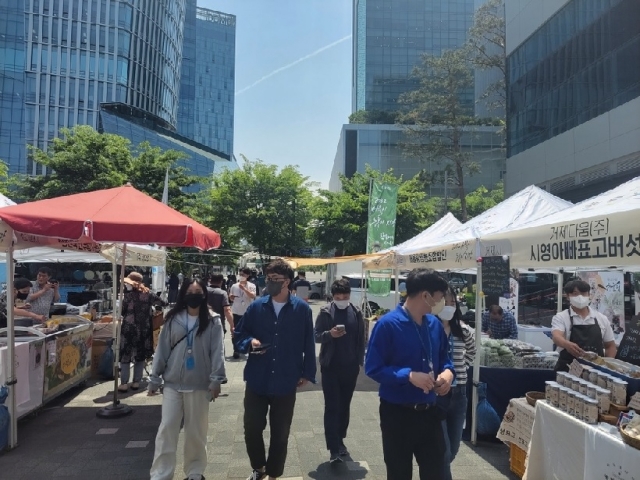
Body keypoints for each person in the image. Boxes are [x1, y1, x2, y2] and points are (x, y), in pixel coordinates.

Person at [365, 268, 455, 480]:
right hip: (398, 414)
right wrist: (408, 375)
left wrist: (448, 374)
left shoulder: (434, 324)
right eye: (440, 297)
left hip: (431, 413)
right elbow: (373, 367)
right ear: (426, 295)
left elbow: (446, 358)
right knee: (399, 472)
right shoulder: (387, 325)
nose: (442, 302)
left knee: (436, 472)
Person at [234, 259, 317, 480]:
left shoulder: (301, 309)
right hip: (257, 379)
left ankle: (274, 473)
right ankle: (258, 467)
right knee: (251, 428)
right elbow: (239, 334)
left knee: (280, 434)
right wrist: (249, 342)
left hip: (286, 379)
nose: (269, 283)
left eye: (274, 279)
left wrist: (308, 372)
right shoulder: (256, 306)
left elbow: (309, 342)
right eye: (268, 279)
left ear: (287, 282)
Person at [148, 277, 226, 480]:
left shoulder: (212, 320)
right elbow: (162, 350)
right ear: (183, 294)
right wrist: (154, 378)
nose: (194, 295)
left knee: (196, 431)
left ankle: (195, 471)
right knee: (167, 429)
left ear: (204, 295)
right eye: (190, 291)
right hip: (173, 383)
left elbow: (218, 351)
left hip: (200, 384)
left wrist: (216, 379)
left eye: (198, 291)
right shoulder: (173, 318)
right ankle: (161, 473)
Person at [314, 278, 365, 463]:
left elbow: (361, 338)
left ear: (350, 295)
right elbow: (316, 335)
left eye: (345, 296)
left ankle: (340, 439)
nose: (342, 299)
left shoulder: (357, 312)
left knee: (344, 406)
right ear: (332, 296)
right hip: (330, 367)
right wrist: (330, 334)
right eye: (338, 296)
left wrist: (360, 361)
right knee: (332, 406)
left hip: (350, 368)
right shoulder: (326, 312)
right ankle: (333, 448)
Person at [438, 287, 476, 480]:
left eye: (453, 303)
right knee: (443, 450)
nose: (450, 306)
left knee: (453, 448)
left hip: (460, 391)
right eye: (446, 302)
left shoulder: (463, 330)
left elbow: (472, 351)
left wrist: (462, 368)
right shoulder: (430, 328)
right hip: (438, 393)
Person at [552, 279, 617, 372]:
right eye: (575, 294)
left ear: (589, 295)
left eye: (583, 293)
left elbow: (610, 345)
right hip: (567, 370)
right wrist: (566, 344)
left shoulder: (601, 318)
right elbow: (557, 336)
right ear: (567, 296)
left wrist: (607, 366)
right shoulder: (561, 317)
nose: (580, 297)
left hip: (596, 372)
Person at [118, 272, 164, 392]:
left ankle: (123, 383)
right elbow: (163, 303)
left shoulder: (127, 296)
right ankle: (136, 382)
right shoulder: (148, 294)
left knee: (125, 355)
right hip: (144, 329)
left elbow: (122, 312)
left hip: (128, 328)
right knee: (140, 355)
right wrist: (153, 311)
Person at [229, 267, 257, 359]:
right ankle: (236, 350)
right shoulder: (234, 286)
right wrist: (231, 297)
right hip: (236, 311)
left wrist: (244, 289)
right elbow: (230, 297)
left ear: (248, 276)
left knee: (248, 331)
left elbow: (252, 296)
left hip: (247, 312)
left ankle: (247, 348)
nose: (241, 276)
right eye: (240, 274)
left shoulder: (252, 285)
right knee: (235, 331)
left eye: (243, 275)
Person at [207, 274, 235, 359]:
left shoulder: (202, 290)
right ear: (221, 282)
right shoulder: (222, 293)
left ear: (210, 281)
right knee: (218, 348)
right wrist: (232, 325)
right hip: (218, 323)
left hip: (202, 322)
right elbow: (227, 310)